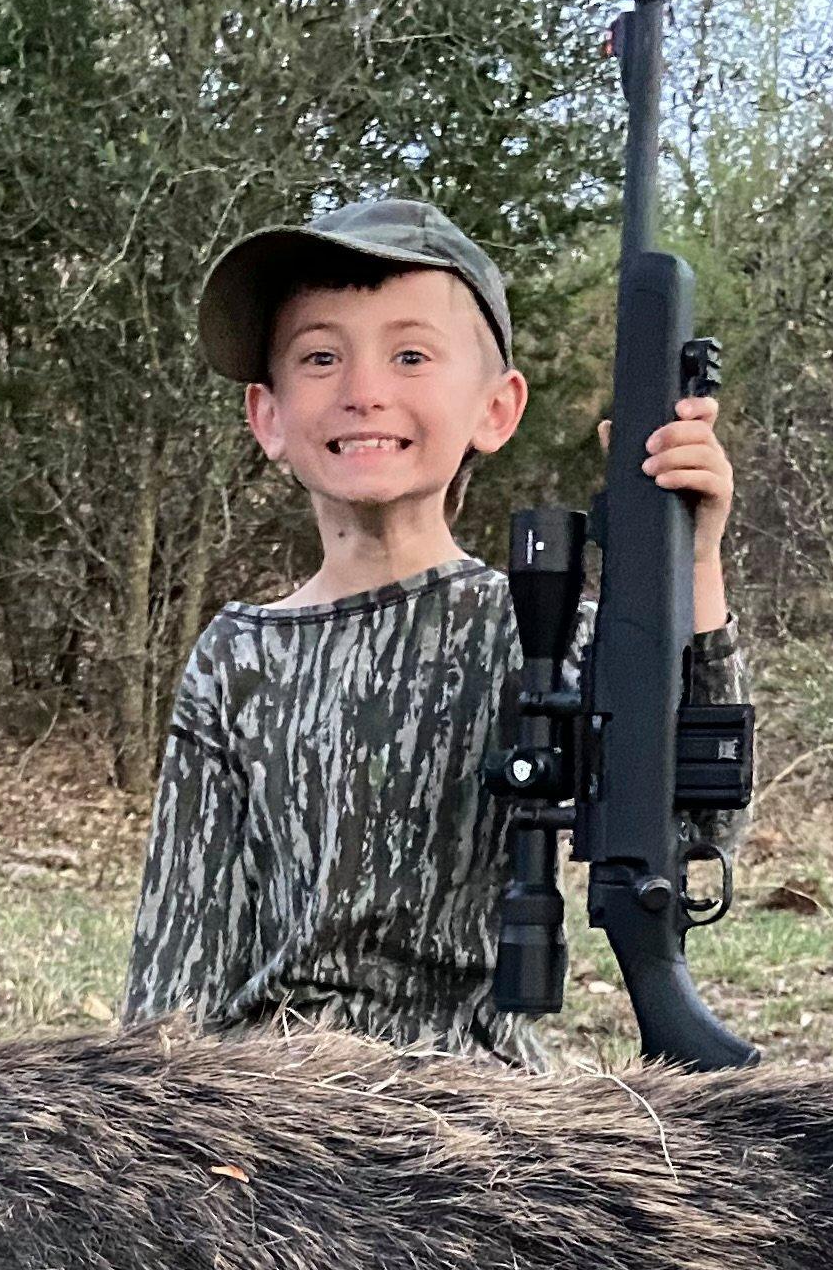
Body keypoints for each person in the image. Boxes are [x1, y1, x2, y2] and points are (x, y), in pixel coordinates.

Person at [121, 197, 744, 1066]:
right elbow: (173, 977)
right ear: (267, 416)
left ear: (496, 407)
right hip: (269, 1113)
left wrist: (695, 562)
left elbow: (688, 843)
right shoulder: (237, 658)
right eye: (320, 357)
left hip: (486, 1115)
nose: (364, 390)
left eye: (411, 355)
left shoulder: (546, 639)